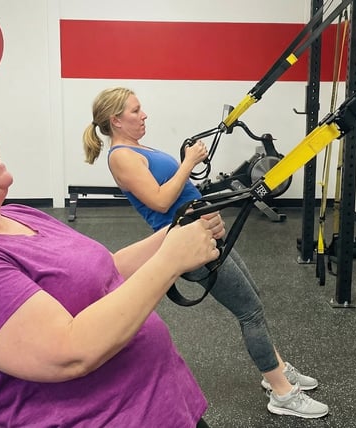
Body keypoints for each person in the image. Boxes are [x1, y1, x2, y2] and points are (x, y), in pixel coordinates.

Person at [0, 91, 226, 428]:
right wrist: (169, 261)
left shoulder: (19, 215)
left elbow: (107, 270)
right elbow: (69, 351)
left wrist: (176, 232)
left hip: (171, 407)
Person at [83, 87, 329, 419]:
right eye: (136, 110)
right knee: (249, 312)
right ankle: (281, 392)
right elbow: (160, 201)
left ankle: (279, 369)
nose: (144, 115)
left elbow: (179, 191)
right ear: (116, 120)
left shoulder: (138, 148)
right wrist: (188, 162)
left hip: (205, 233)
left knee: (252, 301)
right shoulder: (121, 156)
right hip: (188, 243)